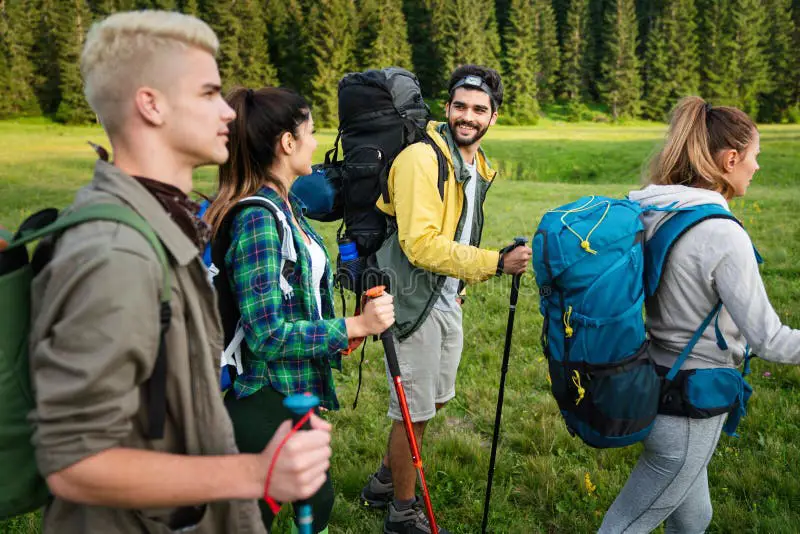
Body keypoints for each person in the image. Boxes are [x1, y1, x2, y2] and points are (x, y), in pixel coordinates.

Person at [28, 11, 332, 533]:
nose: (228, 113)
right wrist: (256, 472)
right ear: (151, 104)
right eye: (209, 93)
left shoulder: (166, 225)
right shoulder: (116, 252)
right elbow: (75, 464)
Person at [599, 96, 800, 533]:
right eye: (754, 157)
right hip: (690, 408)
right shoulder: (721, 234)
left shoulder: (652, 210)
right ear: (730, 160)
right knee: (623, 527)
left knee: (694, 519)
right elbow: (769, 339)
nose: (757, 167)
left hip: (653, 383)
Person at [204, 86, 395, 534]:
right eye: (309, 132)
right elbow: (266, 333)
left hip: (295, 389)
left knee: (316, 500)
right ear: (287, 143)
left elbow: (296, 299)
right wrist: (354, 323)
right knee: (259, 515)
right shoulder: (259, 219)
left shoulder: (289, 207)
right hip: (264, 395)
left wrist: (342, 334)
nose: (315, 141)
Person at [360, 65, 533, 534]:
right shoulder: (422, 159)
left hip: (444, 294)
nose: (467, 117)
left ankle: (382, 480)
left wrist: (460, 286)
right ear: (447, 106)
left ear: (493, 116)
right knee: (413, 411)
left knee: (433, 401)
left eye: (479, 109)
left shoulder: (475, 164)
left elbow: (458, 229)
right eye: (460, 106)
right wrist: (495, 263)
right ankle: (400, 508)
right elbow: (419, 244)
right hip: (411, 298)